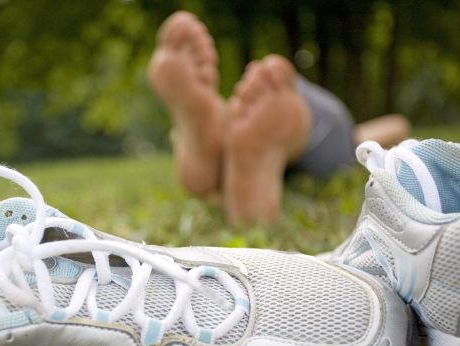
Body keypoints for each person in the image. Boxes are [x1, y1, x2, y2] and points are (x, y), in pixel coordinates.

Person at [147, 11, 411, 224]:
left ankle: (213, 131)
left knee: (249, 109)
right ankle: (236, 134)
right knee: (331, 127)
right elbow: (398, 125)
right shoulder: (357, 144)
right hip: (324, 137)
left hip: (263, 140)